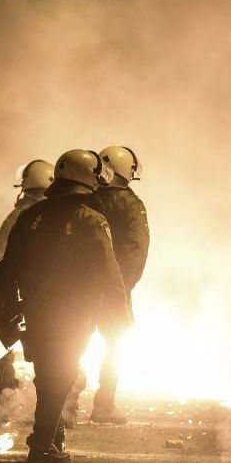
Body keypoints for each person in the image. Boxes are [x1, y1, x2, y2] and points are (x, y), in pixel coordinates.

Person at [0, 150, 129, 463]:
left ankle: (52, 439)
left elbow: (8, 267)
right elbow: (110, 274)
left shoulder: (31, 217)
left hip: (35, 309)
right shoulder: (91, 220)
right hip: (75, 312)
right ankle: (41, 445)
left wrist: (8, 309)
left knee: (48, 372)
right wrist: (120, 317)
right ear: (88, 179)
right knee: (61, 373)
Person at [85, 145, 151, 425]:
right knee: (116, 344)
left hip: (81, 288)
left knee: (72, 343)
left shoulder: (86, 200)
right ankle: (103, 405)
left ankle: (65, 404)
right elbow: (137, 247)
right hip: (114, 289)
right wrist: (124, 289)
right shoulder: (131, 204)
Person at [0, 159, 55, 391]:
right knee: (56, 339)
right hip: (48, 289)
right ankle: (62, 396)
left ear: (26, 184)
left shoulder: (21, 214)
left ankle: (7, 385)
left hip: (17, 288)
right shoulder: (59, 214)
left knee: (2, 329)